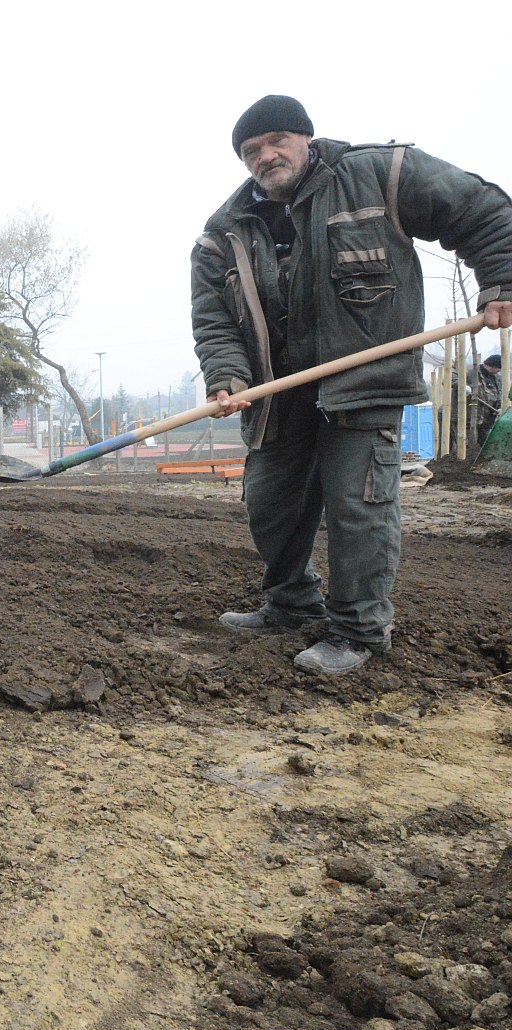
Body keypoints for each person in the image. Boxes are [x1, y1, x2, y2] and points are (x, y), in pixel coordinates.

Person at [193, 94, 512, 675]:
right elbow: (214, 321)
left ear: (305, 138)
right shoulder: (224, 234)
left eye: (276, 142)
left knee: (357, 510)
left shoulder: (377, 175)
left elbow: (482, 210)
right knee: (270, 507)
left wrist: (501, 282)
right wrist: (227, 377)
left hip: (363, 383)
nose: (266, 156)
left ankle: (357, 631)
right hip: (275, 397)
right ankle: (290, 604)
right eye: (251, 152)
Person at [474, 351, 503, 450]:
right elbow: (451, 378)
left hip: (487, 419)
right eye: (498, 369)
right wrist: (462, 386)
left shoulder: (497, 378)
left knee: (484, 445)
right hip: (471, 419)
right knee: (471, 446)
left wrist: (499, 407)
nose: (498, 372)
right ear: (493, 366)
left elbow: (500, 394)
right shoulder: (472, 372)